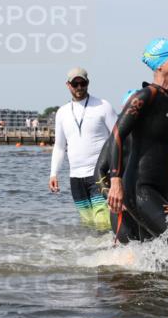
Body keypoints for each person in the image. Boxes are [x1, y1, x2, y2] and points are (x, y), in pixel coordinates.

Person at [97, 38, 168, 243]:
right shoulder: (145, 96)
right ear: (160, 64)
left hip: (160, 189)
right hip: (140, 189)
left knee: (159, 253)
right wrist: (115, 183)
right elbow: (117, 134)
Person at [49, 67, 118, 230]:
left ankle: (111, 252)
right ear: (68, 85)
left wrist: (118, 173)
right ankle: (92, 255)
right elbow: (59, 147)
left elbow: (118, 139)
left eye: (83, 83)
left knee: (103, 221)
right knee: (87, 224)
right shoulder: (62, 112)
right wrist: (53, 173)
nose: (79, 87)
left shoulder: (103, 106)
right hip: (76, 178)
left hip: (100, 175)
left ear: (88, 83)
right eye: (75, 84)